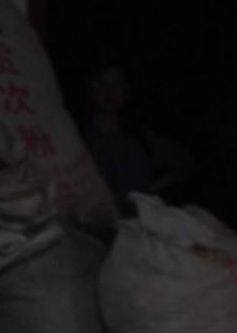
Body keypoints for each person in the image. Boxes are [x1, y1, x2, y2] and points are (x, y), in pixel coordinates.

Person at [79, 65, 196, 219]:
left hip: (135, 225)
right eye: (101, 84)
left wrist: (146, 191)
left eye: (118, 85)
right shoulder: (76, 136)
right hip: (88, 227)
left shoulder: (139, 137)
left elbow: (184, 164)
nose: (109, 92)